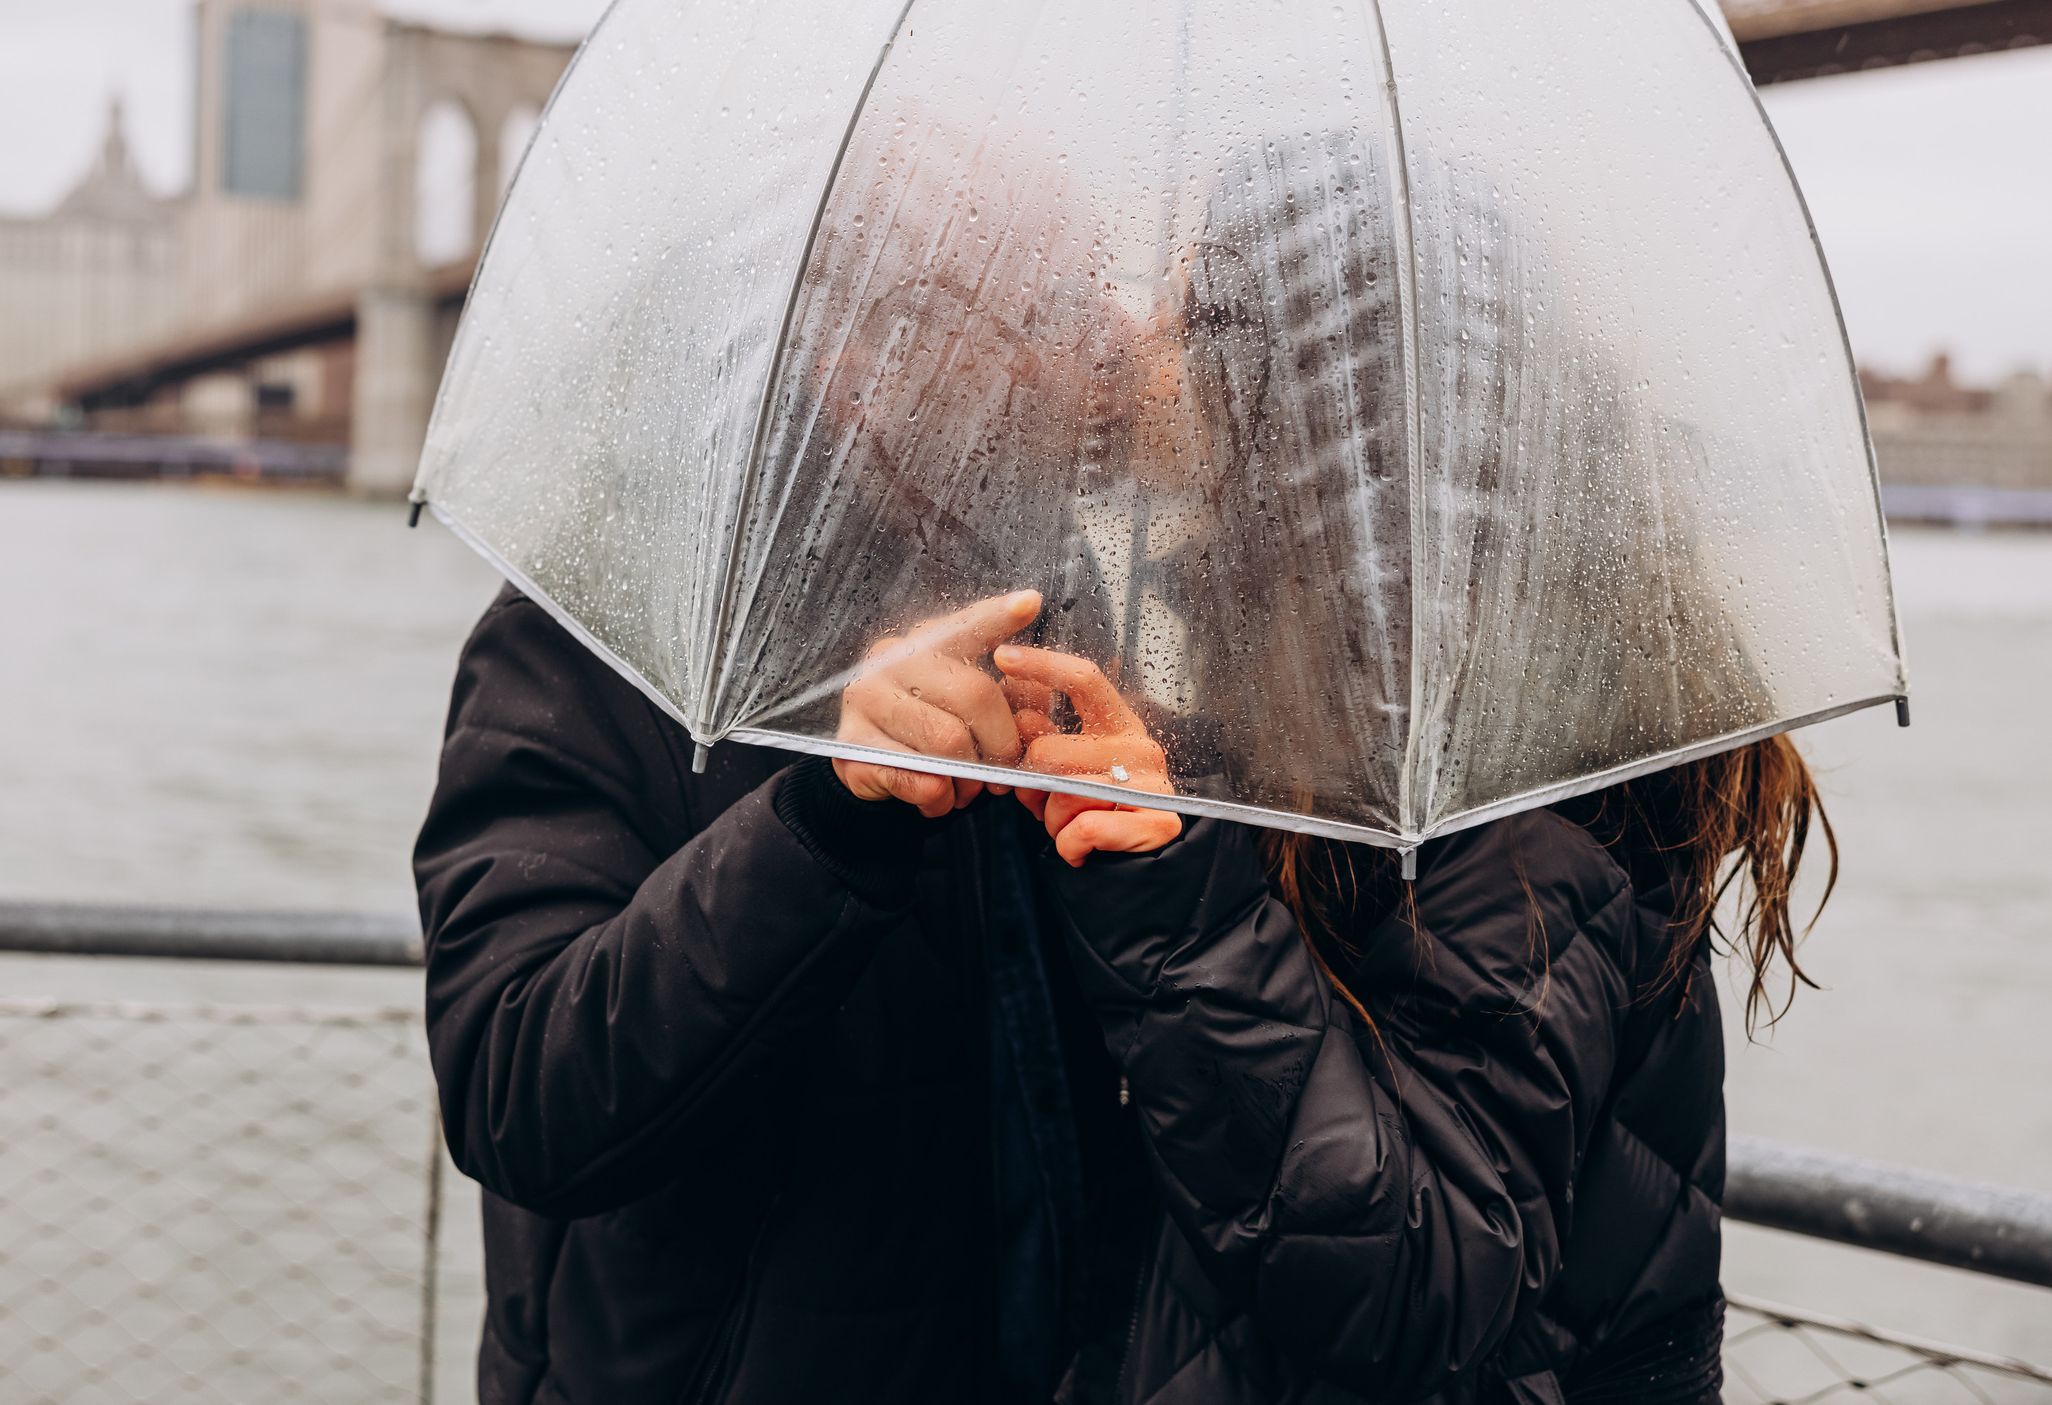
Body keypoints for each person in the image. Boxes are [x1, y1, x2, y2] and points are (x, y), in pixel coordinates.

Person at [414, 131, 1833, 1402]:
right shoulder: (612, 626)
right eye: (1046, 302)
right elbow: (519, 1093)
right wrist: (829, 822)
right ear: (870, 356)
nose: (1115, 339)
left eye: (1143, 299)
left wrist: (1167, 888)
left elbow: (1384, 1230)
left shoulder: (1159, 671)